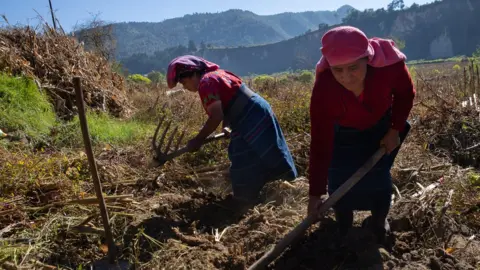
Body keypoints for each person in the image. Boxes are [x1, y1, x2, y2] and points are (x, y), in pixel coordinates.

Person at [307, 26, 415, 243]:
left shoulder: (389, 66)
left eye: (353, 67)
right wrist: (315, 194)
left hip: (380, 126)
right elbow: (320, 141)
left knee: (378, 178)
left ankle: (378, 222)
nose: (346, 77)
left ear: (367, 58)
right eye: (339, 70)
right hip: (343, 132)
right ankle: (344, 227)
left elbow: (405, 94)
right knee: (338, 179)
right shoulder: (324, 87)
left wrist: (395, 129)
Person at [167, 55, 298, 205]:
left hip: (252, 115)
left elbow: (216, 115)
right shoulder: (218, 75)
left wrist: (198, 139)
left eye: (184, 82)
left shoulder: (206, 83)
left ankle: (288, 190)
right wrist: (226, 125)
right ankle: (252, 197)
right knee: (244, 155)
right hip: (251, 113)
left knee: (264, 152)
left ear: (194, 73)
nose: (185, 87)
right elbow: (231, 99)